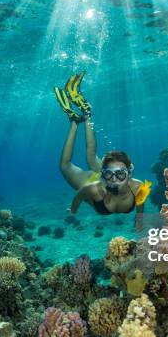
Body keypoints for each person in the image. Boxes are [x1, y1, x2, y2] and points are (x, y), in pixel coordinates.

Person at [54, 72, 150, 231]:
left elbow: (141, 207)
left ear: (130, 172)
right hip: (94, 181)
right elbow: (77, 199)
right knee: (65, 165)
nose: (115, 180)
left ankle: (84, 115)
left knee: (91, 157)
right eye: (109, 175)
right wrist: (72, 211)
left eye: (120, 175)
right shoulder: (92, 188)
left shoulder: (140, 187)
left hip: (102, 176)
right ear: (104, 173)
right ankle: (77, 121)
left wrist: (139, 221)